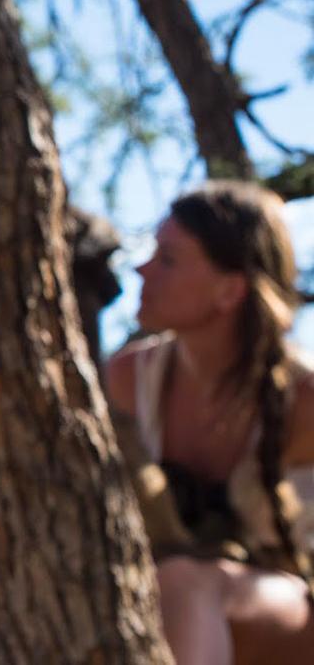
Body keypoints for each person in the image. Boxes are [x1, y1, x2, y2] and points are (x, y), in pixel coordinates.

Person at [106, 180, 314, 664]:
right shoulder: (128, 376)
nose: (142, 269)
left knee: (184, 583)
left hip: (289, 610)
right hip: (159, 593)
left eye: (168, 260)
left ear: (229, 290)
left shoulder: (303, 399)